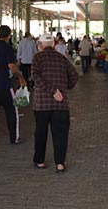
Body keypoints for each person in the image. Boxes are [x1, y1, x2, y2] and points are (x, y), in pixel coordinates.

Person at [31, 33, 79, 172]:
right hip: (61, 104)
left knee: (41, 132)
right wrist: (63, 88)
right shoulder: (62, 58)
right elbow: (74, 76)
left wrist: (51, 90)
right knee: (60, 133)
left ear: (40, 45)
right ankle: (60, 163)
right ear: (53, 44)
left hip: (42, 104)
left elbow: (35, 76)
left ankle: (40, 161)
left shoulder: (37, 58)